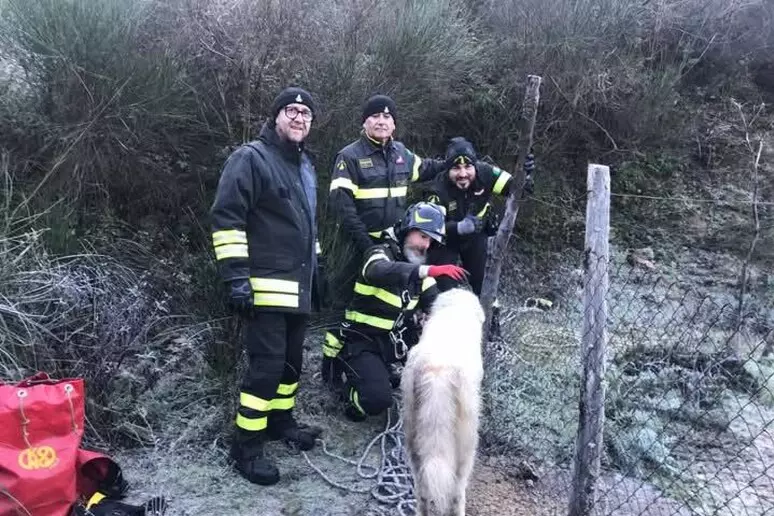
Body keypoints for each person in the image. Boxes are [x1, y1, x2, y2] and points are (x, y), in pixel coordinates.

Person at [210, 86, 326, 486]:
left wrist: (319, 267)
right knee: (266, 370)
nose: (299, 117)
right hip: (262, 289)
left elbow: (308, 226)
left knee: (292, 366)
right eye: (291, 110)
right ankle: (246, 447)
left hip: (299, 288)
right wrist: (236, 280)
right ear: (276, 116)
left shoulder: (306, 166)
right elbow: (227, 220)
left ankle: (281, 423)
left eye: (306, 113)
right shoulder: (250, 158)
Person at [322, 202, 469, 421]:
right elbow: (376, 271)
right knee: (377, 400)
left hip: (390, 344)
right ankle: (348, 389)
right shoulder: (379, 253)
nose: (425, 245)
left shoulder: (420, 270)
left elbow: (435, 304)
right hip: (360, 342)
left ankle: (385, 374)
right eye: (422, 236)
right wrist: (426, 270)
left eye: (430, 241)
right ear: (406, 229)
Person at [424, 137, 535, 335]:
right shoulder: (437, 189)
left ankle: (492, 333)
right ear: (447, 170)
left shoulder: (485, 173)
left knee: (484, 283)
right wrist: (457, 227)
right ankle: (448, 334)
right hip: (444, 242)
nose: (463, 174)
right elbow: (428, 229)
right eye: (456, 169)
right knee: (446, 290)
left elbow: (518, 190)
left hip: (475, 237)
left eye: (468, 166)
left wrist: (526, 175)